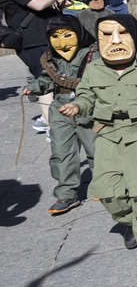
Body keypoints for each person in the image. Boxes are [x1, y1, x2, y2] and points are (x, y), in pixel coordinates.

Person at [59, 15, 137, 262]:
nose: (115, 40)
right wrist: (77, 106)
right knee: (106, 190)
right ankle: (132, 221)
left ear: (135, 36)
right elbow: (86, 96)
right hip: (106, 131)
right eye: (106, 35)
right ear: (97, 39)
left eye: (122, 33)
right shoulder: (94, 69)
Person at [22, 15, 97, 215]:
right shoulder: (50, 57)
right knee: (61, 152)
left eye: (66, 35)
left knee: (96, 148)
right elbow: (48, 79)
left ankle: (103, 184)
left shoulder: (92, 55)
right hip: (60, 108)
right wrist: (35, 87)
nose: (62, 43)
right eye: (55, 36)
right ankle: (67, 193)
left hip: (88, 107)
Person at [0, 0, 77, 133]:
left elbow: (41, 3)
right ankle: (53, 127)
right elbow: (37, 4)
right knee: (46, 82)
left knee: (56, 80)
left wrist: (59, 2)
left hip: (46, 37)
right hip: (32, 40)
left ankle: (48, 119)